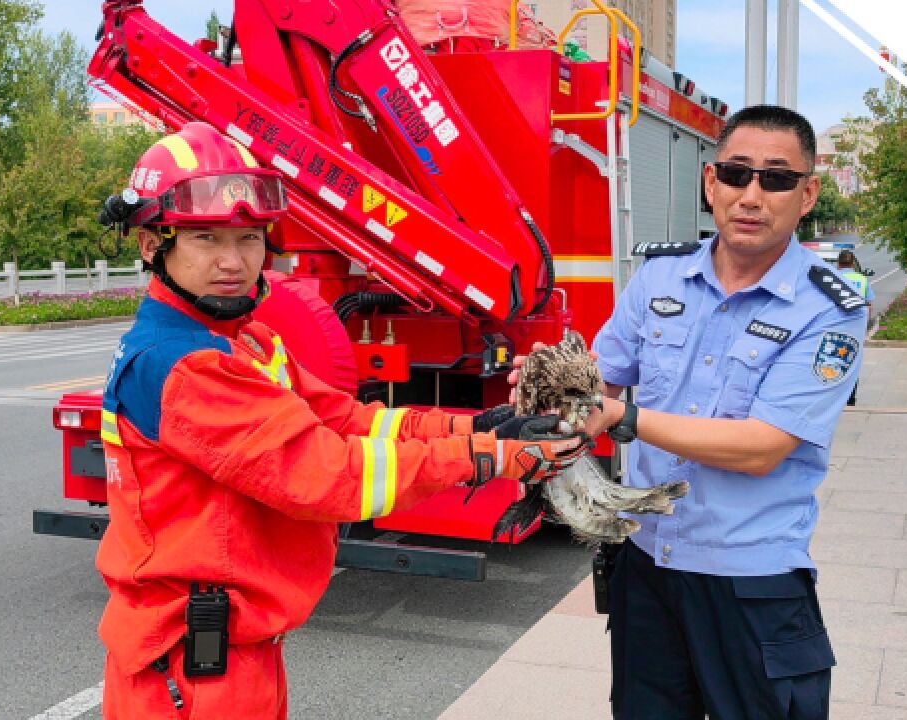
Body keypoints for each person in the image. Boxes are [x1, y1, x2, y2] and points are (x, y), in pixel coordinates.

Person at [93, 122, 587, 719]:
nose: (233, 261)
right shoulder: (185, 365)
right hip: (191, 673)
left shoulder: (245, 342)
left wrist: (481, 426)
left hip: (229, 656)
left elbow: (352, 422)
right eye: (205, 238)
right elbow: (325, 473)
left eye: (249, 238)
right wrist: (488, 458)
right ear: (152, 244)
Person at [583, 105, 868, 720]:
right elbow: (599, 378)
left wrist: (619, 417)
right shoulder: (660, 276)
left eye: (777, 178)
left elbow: (762, 446)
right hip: (647, 567)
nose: (752, 195)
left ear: (808, 193)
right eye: (736, 174)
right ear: (711, 182)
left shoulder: (829, 308)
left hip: (751, 582)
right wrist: (550, 390)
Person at [836, 249, 874, 406]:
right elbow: (870, 304)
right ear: (852, 264)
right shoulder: (862, 280)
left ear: (838, 264)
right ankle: (851, 397)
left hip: (836, 325)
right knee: (853, 359)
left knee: (836, 358)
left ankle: (835, 395)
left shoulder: (833, 277)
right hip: (856, 326)